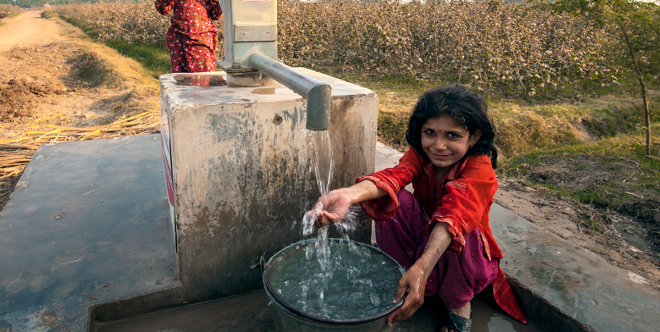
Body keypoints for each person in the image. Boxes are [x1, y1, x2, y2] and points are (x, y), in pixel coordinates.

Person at [309, 84, 527, 332]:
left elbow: (454, 215)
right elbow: (395, 176)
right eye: (430, 132)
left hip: (464, 249)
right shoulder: (420, 156)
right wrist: (348, 194)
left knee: (464, 230)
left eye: (452, 135)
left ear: (474, 137)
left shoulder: (479, 168)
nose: (439, 145)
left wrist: (422, 267)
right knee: (396, 200)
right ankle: (403, 276)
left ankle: (458, 306)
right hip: (427, 234)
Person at [155, 0, 223, 73]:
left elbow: (216, 13)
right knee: (181, 80)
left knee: (204, 78)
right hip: (180, 41)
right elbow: (163, 8)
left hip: (202, 40)